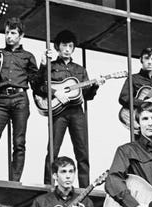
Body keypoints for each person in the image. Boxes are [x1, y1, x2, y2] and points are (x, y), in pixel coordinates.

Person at [33, 30, 103, 187]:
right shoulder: (51, 66)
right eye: (64, 45)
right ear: (58, 47)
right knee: (53, 150)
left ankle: (85, 188)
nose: (67, 49)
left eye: (70, 46)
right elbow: (38, 86)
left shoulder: (80, 69)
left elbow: (87, 96)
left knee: (82, 152)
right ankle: (48, 186)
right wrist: (55, 92)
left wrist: (95, 86)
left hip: (77, 112)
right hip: (58, 113)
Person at [0, 17, 38, 182]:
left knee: (19, 143)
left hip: (20, 99)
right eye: (7, 33)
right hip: (1, 99)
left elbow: (37, 82)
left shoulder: (28, 56)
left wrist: (45, 65)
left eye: (13, 33)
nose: (9, 36)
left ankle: (15, 181)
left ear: (21, 35)